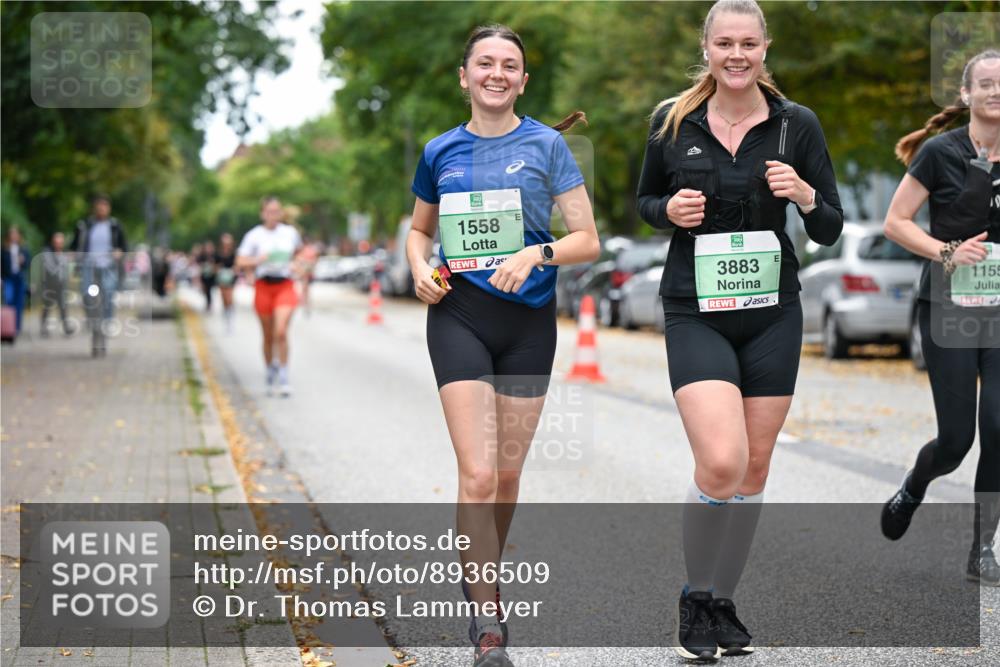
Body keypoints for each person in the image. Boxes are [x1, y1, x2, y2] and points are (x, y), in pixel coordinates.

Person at [635, 0, 843, 660]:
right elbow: (643, 202)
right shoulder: (673, 121)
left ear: (764, 48)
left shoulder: (795, 126)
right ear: (707, 47)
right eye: (724, 42)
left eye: (748, 43)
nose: (736, 54)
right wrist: (668, 207)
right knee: (720, 461)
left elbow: (830, 224)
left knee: (753, 466)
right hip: (695, 307)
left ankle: (722, 601)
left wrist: (805, 195)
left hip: (772, 311)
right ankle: (694, 596)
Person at [406, 23, 600, 667]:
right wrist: (419, 269)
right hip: (458, 315)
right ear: (464, 77)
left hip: (527, 324)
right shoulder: (440, 151)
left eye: (509, 65)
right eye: (484, 63)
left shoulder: (547, 146)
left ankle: (478, 567)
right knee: (480, 471)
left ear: (522, 79)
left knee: (509, 475)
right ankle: (487, 612)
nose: (496, 73)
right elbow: (417, 231)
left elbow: (586, 240)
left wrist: (536, 252)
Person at [881, 49, 1000, 587]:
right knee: (956, 441)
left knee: (998, 430)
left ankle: (983, 550)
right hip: (950, 307)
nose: (996, 92)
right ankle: (914, 486)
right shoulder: (939, 152)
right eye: (987, 84)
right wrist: (946, 252)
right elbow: (896, 221)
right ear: (967, 95)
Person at [236, 196, 303, 397]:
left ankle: (283, 374)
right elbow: (240, 261)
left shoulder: (290, 233)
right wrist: (257, 260)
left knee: (280, 331)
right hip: (263, 286)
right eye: (269, 211)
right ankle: (269, 370)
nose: (273, 215)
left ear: (281, 213)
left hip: (285, 285)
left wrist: (298, 265)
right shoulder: (254, 236)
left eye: (277, 211)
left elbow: (300, 254)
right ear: (262, 213)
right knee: (267, 335)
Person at [69, 194, 128, 357]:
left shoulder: (115, 226)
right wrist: (74, 255)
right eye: (99, 205)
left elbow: (123, 246)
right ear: (95, 208)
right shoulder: (85, 225)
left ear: (108, 208)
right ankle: (92, 322)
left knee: (108, 295)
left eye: (104, 205)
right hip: (89, 266)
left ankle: (107, 322)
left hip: (108, 267)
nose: (101, 208)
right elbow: (74, 245)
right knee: (87, 295)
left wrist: (119, 252)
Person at [39, 231, 73, 337]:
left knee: (63, 306)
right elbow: (51, 269)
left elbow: (65, 271)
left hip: (61, 285)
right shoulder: (47, 253)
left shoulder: (63, 254)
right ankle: (44, 327)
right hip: (49, 284)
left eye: (61, 242)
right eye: (57, 242)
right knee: (47, 307)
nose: (59, 244)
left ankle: (66, 327)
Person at [1, 226, 30, 334]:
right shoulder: (4, 249)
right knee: (9, 300)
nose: (14, 236)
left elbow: (28, 264)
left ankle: (17, 327)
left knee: (19, 302)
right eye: (11, 234)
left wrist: (23, 261)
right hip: (8, 277)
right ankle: (8, 325)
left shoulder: (23, 249)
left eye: (15, 234)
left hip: (19, 277)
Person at [215, 233, 237, 333]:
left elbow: (237, 265)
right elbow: (215, 266)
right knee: (224, 298)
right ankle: (226, 317)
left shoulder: (234, 253)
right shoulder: (218, 254)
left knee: (229, 298)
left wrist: (233, 271)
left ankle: (231, 319)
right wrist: (219, 270)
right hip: (222, 278)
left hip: (231, 278)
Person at [196, 240, 217, 313]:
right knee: (205, 290)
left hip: (211, 275)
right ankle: (208, 302)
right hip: (204, 275)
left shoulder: (214, 255)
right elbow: (198, 264)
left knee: (209, 289)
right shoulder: (202, 256)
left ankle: (209, 303)